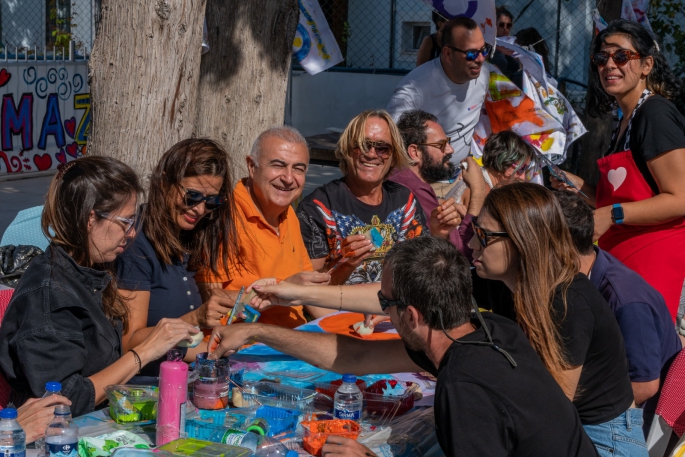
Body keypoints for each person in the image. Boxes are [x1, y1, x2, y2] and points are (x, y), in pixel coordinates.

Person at [211, 237, 599, 457]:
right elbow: (356, 355)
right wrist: (256, 332)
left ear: (411, 316)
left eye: (385, 303)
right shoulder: (488, 330)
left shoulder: (464, 390)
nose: (382, 311)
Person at [0, 158, 199, 416]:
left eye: (133, 222)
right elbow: (65, 400)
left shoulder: (91, 269)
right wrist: (145, 351)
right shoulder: (48, 294)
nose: (131, 234)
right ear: (90, 219)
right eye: (124, 223)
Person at [468, 182, 645, 455]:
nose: (471, 243)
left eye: (482, 235)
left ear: (521, 240)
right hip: (554, 421)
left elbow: (550, 411)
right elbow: (433, 292)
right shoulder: (501, 279)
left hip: (602, 435)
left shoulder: (569, 301)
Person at [550, 20, 685, 322]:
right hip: (626, 262)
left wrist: (611, 215)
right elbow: (628, 199)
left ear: (646, 64)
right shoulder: (626, 118)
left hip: (653, 262)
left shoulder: (655, 114)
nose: (609, 65)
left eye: (621, 56)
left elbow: (681, 199)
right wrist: (581, 188)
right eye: (602, 58)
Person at [555, 190, 682, 434]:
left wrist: (565, 405)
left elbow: (644, 385)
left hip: (630, 425)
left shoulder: (625, 300)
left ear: (560, 247)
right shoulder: (587, 274)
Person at [116, 139, 244, 377]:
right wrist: (195, 318)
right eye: (192, 196)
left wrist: (225, 349)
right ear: (164, 183)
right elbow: (129, 342)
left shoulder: (186, 237)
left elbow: (184, 347)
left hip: (182, 376)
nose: (200, 209)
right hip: (146, 389)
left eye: (212, 201)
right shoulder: (136, 245)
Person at [297, 109, 459, 285]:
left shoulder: (405, 201)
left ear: (394, 155)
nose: (372, 154)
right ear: (347, 149)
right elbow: (310, 289)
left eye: (383, 148)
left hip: (398, 309)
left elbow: (425, 273)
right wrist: (346, 263)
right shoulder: (318, 207)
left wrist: (439, 234)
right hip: (342, 310)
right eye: (363, 145)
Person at [195, 126, 333, 327]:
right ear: (251, 166)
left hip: (296, 340)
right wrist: (283, 289)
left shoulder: (288, 214)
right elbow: (210, 300)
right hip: (244, 347)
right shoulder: (223, 216)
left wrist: (348, 324)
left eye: (298, 169)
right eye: (278, 165)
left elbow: (309, 295)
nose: (288, 178)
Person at [386, 17, 490, 164]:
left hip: (464, 172)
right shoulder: (415, 88)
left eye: (484, 50)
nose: (480, 59)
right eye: (471, 54)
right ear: (447, 53)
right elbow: (390, 136)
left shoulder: (483, 74)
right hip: (427, 178)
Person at [392, 109, 487, 258]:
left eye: (448, 142)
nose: (450, 149)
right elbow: (463, 253)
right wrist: (478, 189)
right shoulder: (415, 189)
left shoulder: (400, 179)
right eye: (442, 144)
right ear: (415, 152)